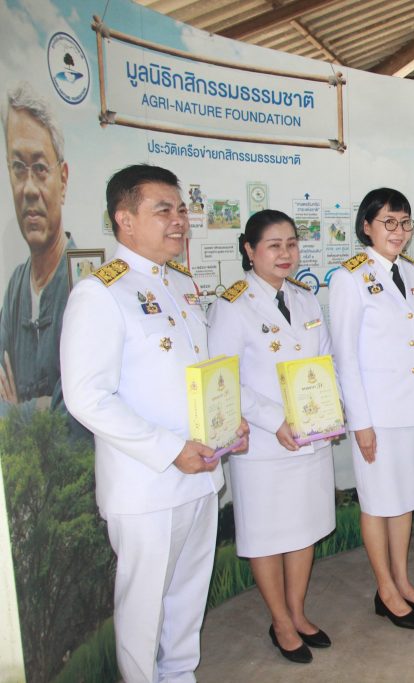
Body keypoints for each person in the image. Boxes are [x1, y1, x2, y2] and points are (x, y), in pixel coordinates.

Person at [60, 164, 249, 683]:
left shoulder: (181, 284)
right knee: (144, 609)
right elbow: (87, 397)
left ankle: (180, 675)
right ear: (124, 219)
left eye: (181, 209)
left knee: (187, 598)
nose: (179, 220)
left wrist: (229, 421)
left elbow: (197, 373)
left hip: (201, 472)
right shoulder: (101, 293)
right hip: (147, 483)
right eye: (163, 210)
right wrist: (169, 450)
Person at [207, 210, 336, 662]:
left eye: (292, 244)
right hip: (264, 443)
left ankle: (297, 611)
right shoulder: (231, 305)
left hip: (310, 435)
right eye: (274, 245)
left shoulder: (305, 298)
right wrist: (275, 419)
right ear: (250, 249)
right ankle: (280, 621)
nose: (286, 254)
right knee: (266, 534)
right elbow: (224, 378)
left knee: (304, 529)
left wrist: (329, 411)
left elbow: (325, 361)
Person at [331, 188, 414, 628]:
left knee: (405, 498)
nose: (399, 231)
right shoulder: (350, 277)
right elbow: (344, 357)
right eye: (389, 222)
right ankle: (385, 589)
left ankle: (403, 581)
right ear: (367, 226)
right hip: (376, 415)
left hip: (411, 409)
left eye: (405, 222)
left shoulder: (411, 273)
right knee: (378, 502)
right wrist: (360, 422)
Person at [1, 83, 74, 411]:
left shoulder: (81, 280)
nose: (29, 189)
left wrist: (17, 410)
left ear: (63, 180)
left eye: (40, 169)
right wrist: (40, 408)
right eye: (18, 168)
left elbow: (73, 412)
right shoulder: (15, 288)